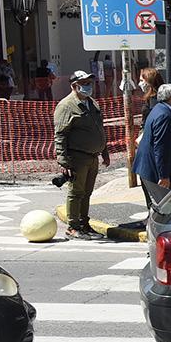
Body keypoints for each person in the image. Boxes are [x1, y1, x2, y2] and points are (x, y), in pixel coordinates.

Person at [53, 70, 110, 239]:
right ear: (74, 86)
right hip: (77, 157)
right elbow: (60, 135)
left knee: (87, 192)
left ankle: (84, 224)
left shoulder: (92, 103)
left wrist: (104, 151)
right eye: (84, 83)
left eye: (89, 83)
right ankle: (73, 226)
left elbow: (99, 129)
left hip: (92, 156)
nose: (88, 86)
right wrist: (63, 162)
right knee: (76, 192)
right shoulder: (66, 106)